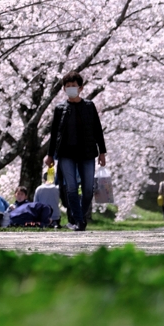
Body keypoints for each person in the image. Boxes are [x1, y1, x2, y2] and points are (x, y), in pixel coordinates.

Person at [44, 70, 107, 231]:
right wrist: (50, 155)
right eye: (68, 86)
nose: (71, 88)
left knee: (88, 190)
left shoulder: (89, 106)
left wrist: (102, 152)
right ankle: (79, 221)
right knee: (71, 187)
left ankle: (77, 216)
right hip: (66, 154)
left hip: (87, 153)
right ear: (64, 89)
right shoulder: (60, 109)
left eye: (74, 86)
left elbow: (97, 130)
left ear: (81, 88)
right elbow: (54, 134)